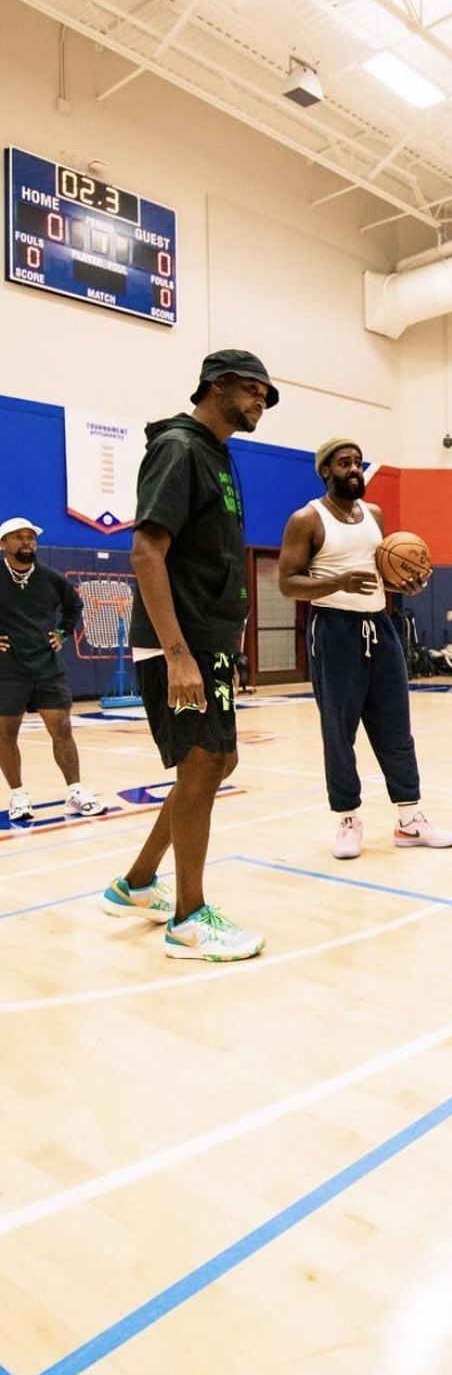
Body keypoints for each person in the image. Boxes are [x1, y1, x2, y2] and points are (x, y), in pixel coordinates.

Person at [101, 349, 278, 960]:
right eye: (253, 390)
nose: (261, 402)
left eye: (265, 396)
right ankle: (187, 920)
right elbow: (146, 553)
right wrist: (178, 654)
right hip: (180, 642)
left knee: (216, 762)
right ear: (217, 385)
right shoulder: (179, 448)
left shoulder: (218, 456)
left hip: (209, 639)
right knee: (202, 762)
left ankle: (138, 882)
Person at [277, 437, 452, 859]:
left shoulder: (374, 515)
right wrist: (336, 582)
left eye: (358, 462)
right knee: (338, 731)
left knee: (396, 725)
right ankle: (347, 818)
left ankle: (410, 819)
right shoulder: (307, 519)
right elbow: (288, 583)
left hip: (380, 625)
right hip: (333, 628)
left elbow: (382, 576)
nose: (354, 469)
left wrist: (406, 583)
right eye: (345, 463)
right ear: (326, 471)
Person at [0, 516, 105, 825]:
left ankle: (75, 791)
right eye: (18, 537)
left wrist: (62, 633)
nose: (26, 542)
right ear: (3, 544)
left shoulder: (51, 578)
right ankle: (18, 795)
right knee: (6, 734)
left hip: (47, 668)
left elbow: (74, 607)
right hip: (7, 670)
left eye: (30, 537)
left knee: (62, 729)